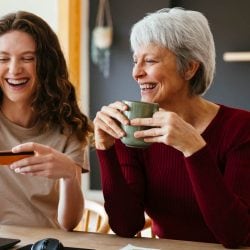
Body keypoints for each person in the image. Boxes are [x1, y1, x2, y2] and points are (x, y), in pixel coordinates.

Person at [94, 7, 250, 248]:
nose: (136, 72)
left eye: (150, 61)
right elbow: (126, 225)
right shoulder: (135, 131)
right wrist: (106, 148)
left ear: (189, 68)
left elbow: (235, 234)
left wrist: (194, 148)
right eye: (136, 61)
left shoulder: (241, 128)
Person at [0, 11, 93, 230]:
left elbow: (68, 224)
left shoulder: (69, 127)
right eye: (3, 58)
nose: (14, 70)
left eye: (28, 58)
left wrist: (70, 174)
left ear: (47, 64)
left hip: (44, 244)